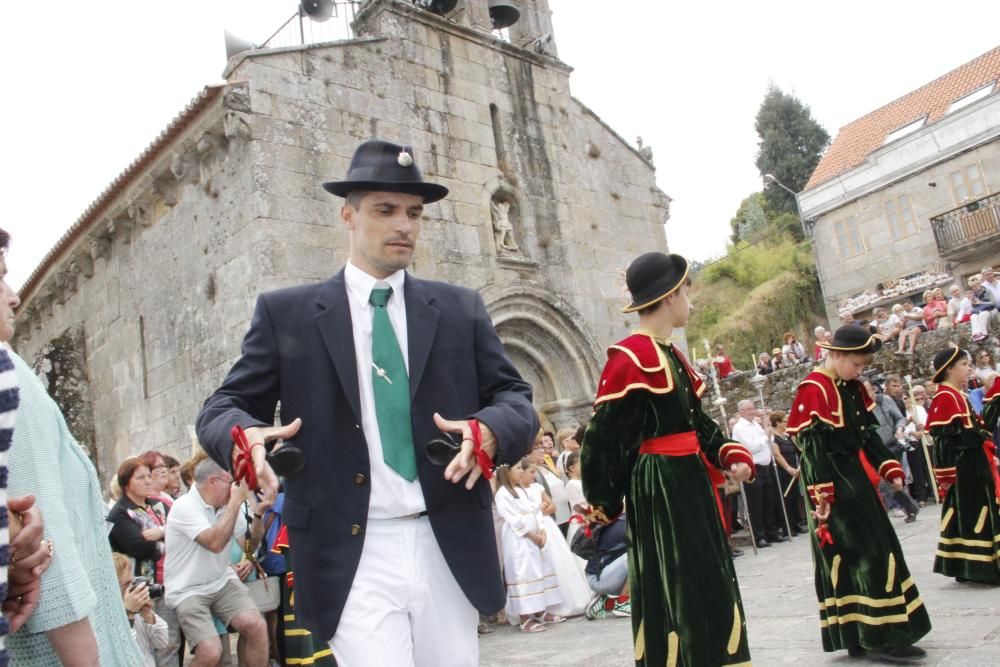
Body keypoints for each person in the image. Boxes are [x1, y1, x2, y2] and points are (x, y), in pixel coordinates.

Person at [196, 139, 538, 666]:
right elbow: (223, 406)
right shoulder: (287, 314)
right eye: (385, 210)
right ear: (348, 216)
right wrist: (245, 437)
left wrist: (491, 429)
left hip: (447, 538)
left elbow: (515, 397)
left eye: (414, 213)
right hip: (352, 549)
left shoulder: (458, 308)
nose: (404, 224)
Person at [581, 252, 755, 666]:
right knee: (680, 583)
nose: (690, 303)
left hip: (688, 479)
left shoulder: (671, 354)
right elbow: (602, 440)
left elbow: (696, 424)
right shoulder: (630, 357)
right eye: (687, 292)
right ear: (672, 294)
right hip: (660, 487)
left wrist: (730, 452)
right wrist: (604, 502)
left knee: (708, 578)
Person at [5, 239, 140, 663]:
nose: (14, 295)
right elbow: (42, 533)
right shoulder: (11, 377)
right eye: (1, 275)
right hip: (56, 648)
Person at [787, 325, 930, 661]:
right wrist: (822, 497)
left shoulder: (851, 387)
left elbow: (868, 437)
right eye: (857, 364)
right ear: (836, 355)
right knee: (862, 554)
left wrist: (889, 466)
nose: (860, 372)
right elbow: (811, 449)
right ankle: (876, 636)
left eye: (864, 366)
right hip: (831, 482)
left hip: (854, 477)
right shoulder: (814, 389)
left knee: (877, 548)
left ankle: (870, 630)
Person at [163, 458, 267, 666]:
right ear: (213, 482)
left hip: (221, 580)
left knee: (256, 626)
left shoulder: (226, 505)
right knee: (210, 651)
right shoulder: (185, 506)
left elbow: (249, 547)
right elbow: (214, 543)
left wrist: (257, 514)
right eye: (232, 482)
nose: (236, 488)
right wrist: (236, 503)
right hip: (187, 589)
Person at [926, 347, 1000, 585]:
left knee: (972, 514)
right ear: (949, 369)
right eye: (964, 365)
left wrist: (993, 401)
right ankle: (979, 568)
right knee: (973, 515)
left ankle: (969, 566)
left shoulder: (958, 395)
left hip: (974, 464)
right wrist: (946, 476)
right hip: (966, 469)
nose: (969, 369)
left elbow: (978, 430)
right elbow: (943, 440)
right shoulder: (945, 397)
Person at [106, 457, 180, 667]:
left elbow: (178, 534)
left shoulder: (158, 506)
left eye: (149, 475)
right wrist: (165, 536)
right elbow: (138, 547)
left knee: (169, 642)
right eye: (141, 477)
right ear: (126, 483)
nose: (148, 481)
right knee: (143, 643)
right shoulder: (119, 513)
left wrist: (159, 532)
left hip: (166, 581)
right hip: (138, 584)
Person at [493, 463, 563, 633]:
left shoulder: (522, 491)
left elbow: (535, 510)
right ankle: (525, 618)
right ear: (507, 472)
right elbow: (513, 519)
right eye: (518, 469)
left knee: (537, 570)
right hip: (519, 539)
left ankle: (540, 611)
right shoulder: (503, 494)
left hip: (534, 535)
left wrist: (542, 530)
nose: (521, 472)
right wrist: (532, 535)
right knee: (522, 573)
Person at [863, 379, 920, 522]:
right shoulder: (860, 407)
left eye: (867, 390)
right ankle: (889, 511)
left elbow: (900, 418)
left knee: (895, 482)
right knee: (881, 483)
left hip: (892, 446)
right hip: (874, 450)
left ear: (874, 389)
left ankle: (909, 508)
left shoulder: (885, 401)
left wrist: (900, 429)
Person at [733, 400, 786, 547]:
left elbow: (768, 440)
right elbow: (750, 447)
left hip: (766, 466)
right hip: (752, 468)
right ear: (741, 412)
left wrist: (766, 429)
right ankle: (759, 536)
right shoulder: (740, 428)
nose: (752, 411)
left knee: (769, 501)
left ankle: (772, 532)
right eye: (748, 409)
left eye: (752, 408)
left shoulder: (756, 424)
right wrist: (765, 436)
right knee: (755, 504)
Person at [111, 552, 168, 667]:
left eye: (132, 581)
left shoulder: (137, 607)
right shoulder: (106, 614)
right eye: (127, 584)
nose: (132, 588)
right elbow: (124, 652)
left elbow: (162, 642)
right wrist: (129, 614)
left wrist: (147, 615)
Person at [582, 514, 630, 621]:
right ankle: (623, 602)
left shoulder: (620, 521)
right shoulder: (626, 526)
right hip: (600, 579)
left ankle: (605, 601)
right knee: (638, 556)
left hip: (597, 575)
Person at [770, 411, 807, 534]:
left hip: (794, 470)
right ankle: (788, 527)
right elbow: (777, 455)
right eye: (785, 421)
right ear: (778, 423)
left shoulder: (787, 435)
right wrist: (788, 468)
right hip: (783, 472)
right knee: (785, 498)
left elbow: (799, 448)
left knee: (794, 497)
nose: (788, 422)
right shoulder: (773, 437)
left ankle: (796, 523)